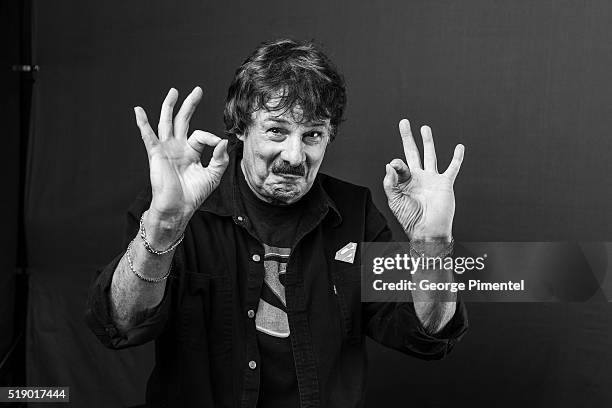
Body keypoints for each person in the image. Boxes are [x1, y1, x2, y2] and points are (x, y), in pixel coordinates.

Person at [85, 38, 468, 407]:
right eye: (276, 130)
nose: (294, 155)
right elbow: (121, 323)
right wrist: (165, 224)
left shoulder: (355, 214)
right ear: (239, 127)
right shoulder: (182, 204)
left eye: (313, 134)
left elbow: (425, 335)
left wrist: (432, 244)